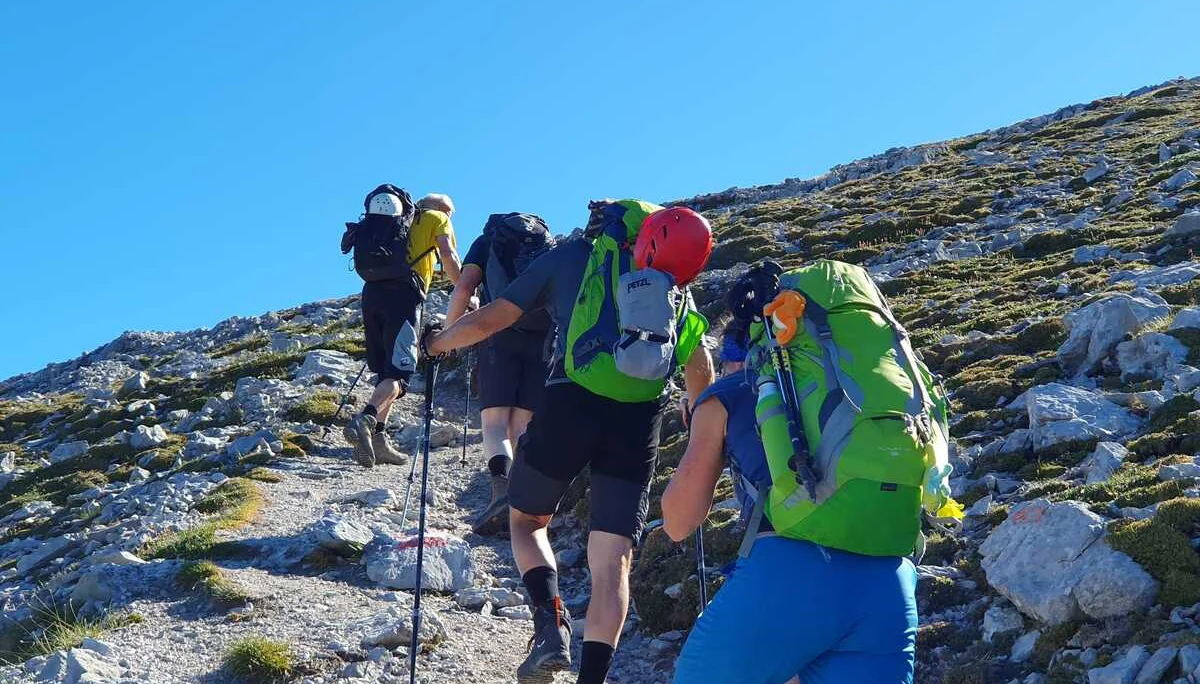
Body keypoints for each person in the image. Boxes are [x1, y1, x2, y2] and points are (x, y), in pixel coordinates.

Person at [425, 200, 716, 684]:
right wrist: (698, 418)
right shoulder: (674, 286)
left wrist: (437, 343)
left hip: (569, 403)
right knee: (614, 558)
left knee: (527, 520)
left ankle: (550, 628)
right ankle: (593, 678)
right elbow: (698, 362)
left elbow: (493, 317)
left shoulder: (572, 256)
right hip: (639, 421)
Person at [661, 313, 919, 684]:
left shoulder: (731, 391)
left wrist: (705, 421)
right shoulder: (857, 386)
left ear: (739, 354)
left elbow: (677, 522)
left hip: (793, 569)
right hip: (889, 578)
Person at [446, 213, 555, 535]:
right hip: (542, 337)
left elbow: (464, 287)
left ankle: (501, 493)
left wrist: (450, 332)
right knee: (522, 424)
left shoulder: (486, 242)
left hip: (499, 335)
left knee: (494, 424)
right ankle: (523, 502)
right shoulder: (547, 247)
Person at [341, 186, 462, 468]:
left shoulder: (395, 220)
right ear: (444, 209)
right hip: (404, 297)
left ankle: (379, 440)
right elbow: (448, 255)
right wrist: (465, 291)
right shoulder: (437, 218)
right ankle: (366, 418)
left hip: (372, 294)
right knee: (400, 370)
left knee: (386, 371)